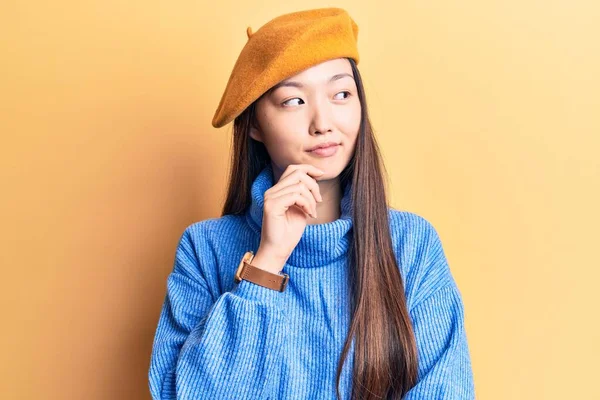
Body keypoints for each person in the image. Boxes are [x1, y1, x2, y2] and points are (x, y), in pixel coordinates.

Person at [148, 7, 475, 400]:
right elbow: (182, 394)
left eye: (341, 94)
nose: (323, 122)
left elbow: (446, 389)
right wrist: (266, 263)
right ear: (253, 124)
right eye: (293, 101)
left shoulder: (411, 244)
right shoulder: (205, 249)